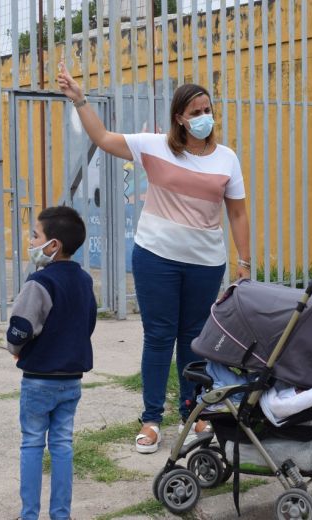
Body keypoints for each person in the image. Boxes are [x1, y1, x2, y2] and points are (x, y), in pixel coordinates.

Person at [57, 64, 251, 454]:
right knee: (160, 337)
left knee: (194, 339)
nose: (204, 118)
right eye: (195, 113)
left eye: (207, 110)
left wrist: (245, 262)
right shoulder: (154, 145)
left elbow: (238, 213)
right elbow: (103, 137)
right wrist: (79, 100)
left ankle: (192, 411)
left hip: (206, 262)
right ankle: (151, 419)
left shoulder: (227, 158)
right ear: (179, 117)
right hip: (156, 258)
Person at [7, 206, 97, 520]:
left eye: (36, 235)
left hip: (38, 379)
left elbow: (21, 325)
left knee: (32, 443)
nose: (31, 240)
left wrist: (14, 347)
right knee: (62, 444)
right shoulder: (84, 280)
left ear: (53, 244)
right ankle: (61, 514)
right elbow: (88, 323)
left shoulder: (39, 282)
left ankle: (29, 515)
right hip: (71, 380)